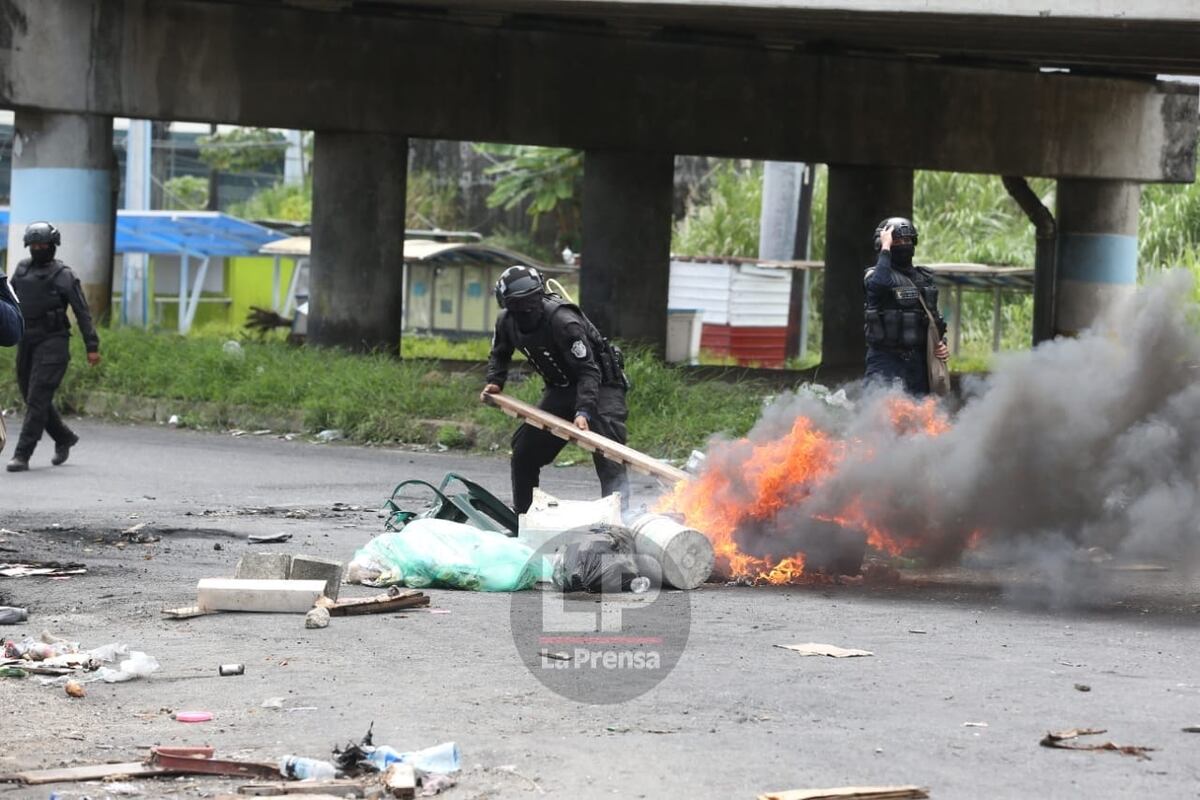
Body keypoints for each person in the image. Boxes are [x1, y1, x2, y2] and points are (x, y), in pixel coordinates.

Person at [481, 265, 630, 514]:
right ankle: (524, 519)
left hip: (602, 387)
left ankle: (619, 522)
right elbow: (500, 353)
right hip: (561, 389)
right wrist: (495, 381)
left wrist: (583, 411)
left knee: (608, 455)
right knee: (524, 451)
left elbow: (589, 371)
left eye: (523, 307)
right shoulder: (506, 321)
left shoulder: (563, 322)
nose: (520, 313)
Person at [7, 222, 101, 472]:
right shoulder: (22, 269)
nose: (38, 249)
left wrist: (92, 346)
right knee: (32, 397)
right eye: (34, 245)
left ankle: (22, 454)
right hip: (27, 339)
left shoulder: (64, 275)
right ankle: (63, 437)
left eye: (43, 245)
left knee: (38, 398)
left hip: (54, 342)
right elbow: (9, 300)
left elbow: (82, 313)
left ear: (53, 246)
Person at [863, 217, 948, 395]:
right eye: (897, 241)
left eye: (907, 240)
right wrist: (886, 248)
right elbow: (880, 284)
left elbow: (933, 317)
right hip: (886, 360)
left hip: (918, 362)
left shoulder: (923, 278)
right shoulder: (874, 276)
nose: (904, 245)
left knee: (921, 415)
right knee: (882, 415)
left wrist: (940, 343)